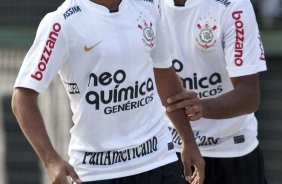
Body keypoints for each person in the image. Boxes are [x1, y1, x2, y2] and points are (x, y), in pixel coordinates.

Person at [11, 0, 205, 184]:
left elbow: (164, 72)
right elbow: (22, 97)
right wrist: (51, 159)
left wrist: (188, 139)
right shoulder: (62, 22)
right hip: (97, 171)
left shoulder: (149, 5)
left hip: (158, 158)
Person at [161, 0, 268, 183]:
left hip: (233, 149)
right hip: (169, 150)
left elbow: (249, 95)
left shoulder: (234, 5)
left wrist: (201, 107)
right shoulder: (145, 6)